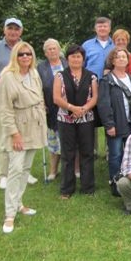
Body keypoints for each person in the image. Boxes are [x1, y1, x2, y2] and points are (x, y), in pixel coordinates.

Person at [0, 41, 46, 233]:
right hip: (18, 126)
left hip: (34, 124)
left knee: (25, 168)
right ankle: (9, 214)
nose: (25, 57)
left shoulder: (34, 74)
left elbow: (39, 96)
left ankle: (19, 203)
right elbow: (4, 110)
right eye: (21, 54)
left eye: (28, 54)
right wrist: (14, 134)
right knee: (15, 169)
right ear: (15, 56)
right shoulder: (7, 77)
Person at [0, 18, 37, 188]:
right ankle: (4, 174)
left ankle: (23, 172)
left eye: (16, 29)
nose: (13, 32)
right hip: (4, 100)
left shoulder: (25, 48)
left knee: (26, 136)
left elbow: (32, 70)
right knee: (6, 136)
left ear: (21, 31)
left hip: (25, 102)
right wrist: (3, 83)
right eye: (10, 28)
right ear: (4, 30)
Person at [53, 44, 98, 199]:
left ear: (83, 59)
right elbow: (56, 98)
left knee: (87, 153)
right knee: (68, 154)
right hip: (65, 119)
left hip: (86, 118)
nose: (76, 59)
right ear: (67, 59)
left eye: (79, 56)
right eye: (73, 56)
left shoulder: (91, 76)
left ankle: (88, 187)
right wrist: (72, 108)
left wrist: (83, 110)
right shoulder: (60, 75)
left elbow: (95, 97)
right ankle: (66, 189)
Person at [98, 48, 131, 189]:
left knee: (130, 153)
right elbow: (103, 104)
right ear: (113, 61)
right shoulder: (107, 80)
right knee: (116, 154)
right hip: (116, 122)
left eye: (124, 56)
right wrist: (109, 125)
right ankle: (115, 183)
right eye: (118, 57)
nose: (121, 59)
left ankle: (129, 180)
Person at [36, 38, 68, 181]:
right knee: (54, 141)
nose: (52, 51)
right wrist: (42, 103)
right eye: (49, 49)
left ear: (59, 49)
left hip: (69, 109)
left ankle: (73, 169)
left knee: (70, 140)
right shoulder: (40, 68)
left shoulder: (67, 63)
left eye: (54, 48)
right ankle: (53, 171)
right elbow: (37, 88)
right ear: (45, 52)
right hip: (51, 109)